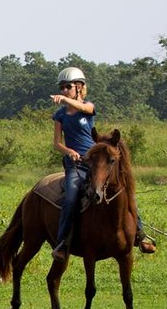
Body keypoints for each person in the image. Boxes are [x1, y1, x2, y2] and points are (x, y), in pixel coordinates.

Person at [50, 67, 156, 262]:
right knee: (71, 197)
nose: (64, 91)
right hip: (76, 165)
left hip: (96, 161)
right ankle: (63, 243)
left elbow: (85, 108)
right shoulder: (60, 115)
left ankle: (140, 235)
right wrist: (69, 151)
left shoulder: (88, 107)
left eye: (68, 87)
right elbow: (57, 143)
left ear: (79, 87)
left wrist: (64, 100)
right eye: (62, 88)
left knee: (124, 190)